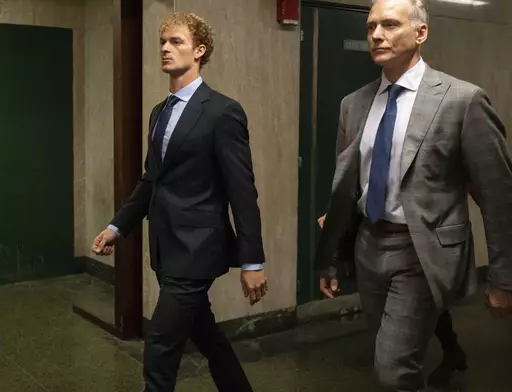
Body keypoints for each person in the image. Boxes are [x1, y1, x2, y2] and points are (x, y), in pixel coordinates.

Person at [315, 0, 512, 390]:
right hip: (369, 246)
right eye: (371, 26)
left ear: (420, 33)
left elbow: (498, 195)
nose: (376, 34)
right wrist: (332, 256)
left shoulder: (462, 100)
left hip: (422, 253)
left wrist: (504, 277)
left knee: (393, 371)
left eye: (389, 24)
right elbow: (347, 189)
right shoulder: (354, 104)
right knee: (388, 358)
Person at [91, 12, 267, 392]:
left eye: (176, 42)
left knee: (160, 345)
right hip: (166, 246)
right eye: (163, 42)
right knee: (207, 336)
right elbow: (151, 181)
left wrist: (252, 260)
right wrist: (116, 226)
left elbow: (242, 190)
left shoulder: (223, 112)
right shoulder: (160, 112)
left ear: (200, 50)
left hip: (198, 249)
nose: (165, 49)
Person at [317, 214, 466, 387]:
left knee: (396, 360)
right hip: (372, 237)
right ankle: (451, 349)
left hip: (419, 237)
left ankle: (450, 350)